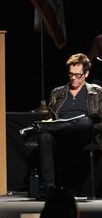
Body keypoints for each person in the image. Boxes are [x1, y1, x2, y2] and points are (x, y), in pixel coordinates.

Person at [37, 53, 102, 199]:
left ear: (86, 73)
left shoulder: (97, 92)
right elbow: (53, 117)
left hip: (85, 134)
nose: (73, 78)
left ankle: (44, 128)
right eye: (71, 74)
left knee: (85, 121)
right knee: (45, 136)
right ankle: (49, 188)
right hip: (61, 134)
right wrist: (53, 125)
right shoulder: (57, 92)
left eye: (78, 75)